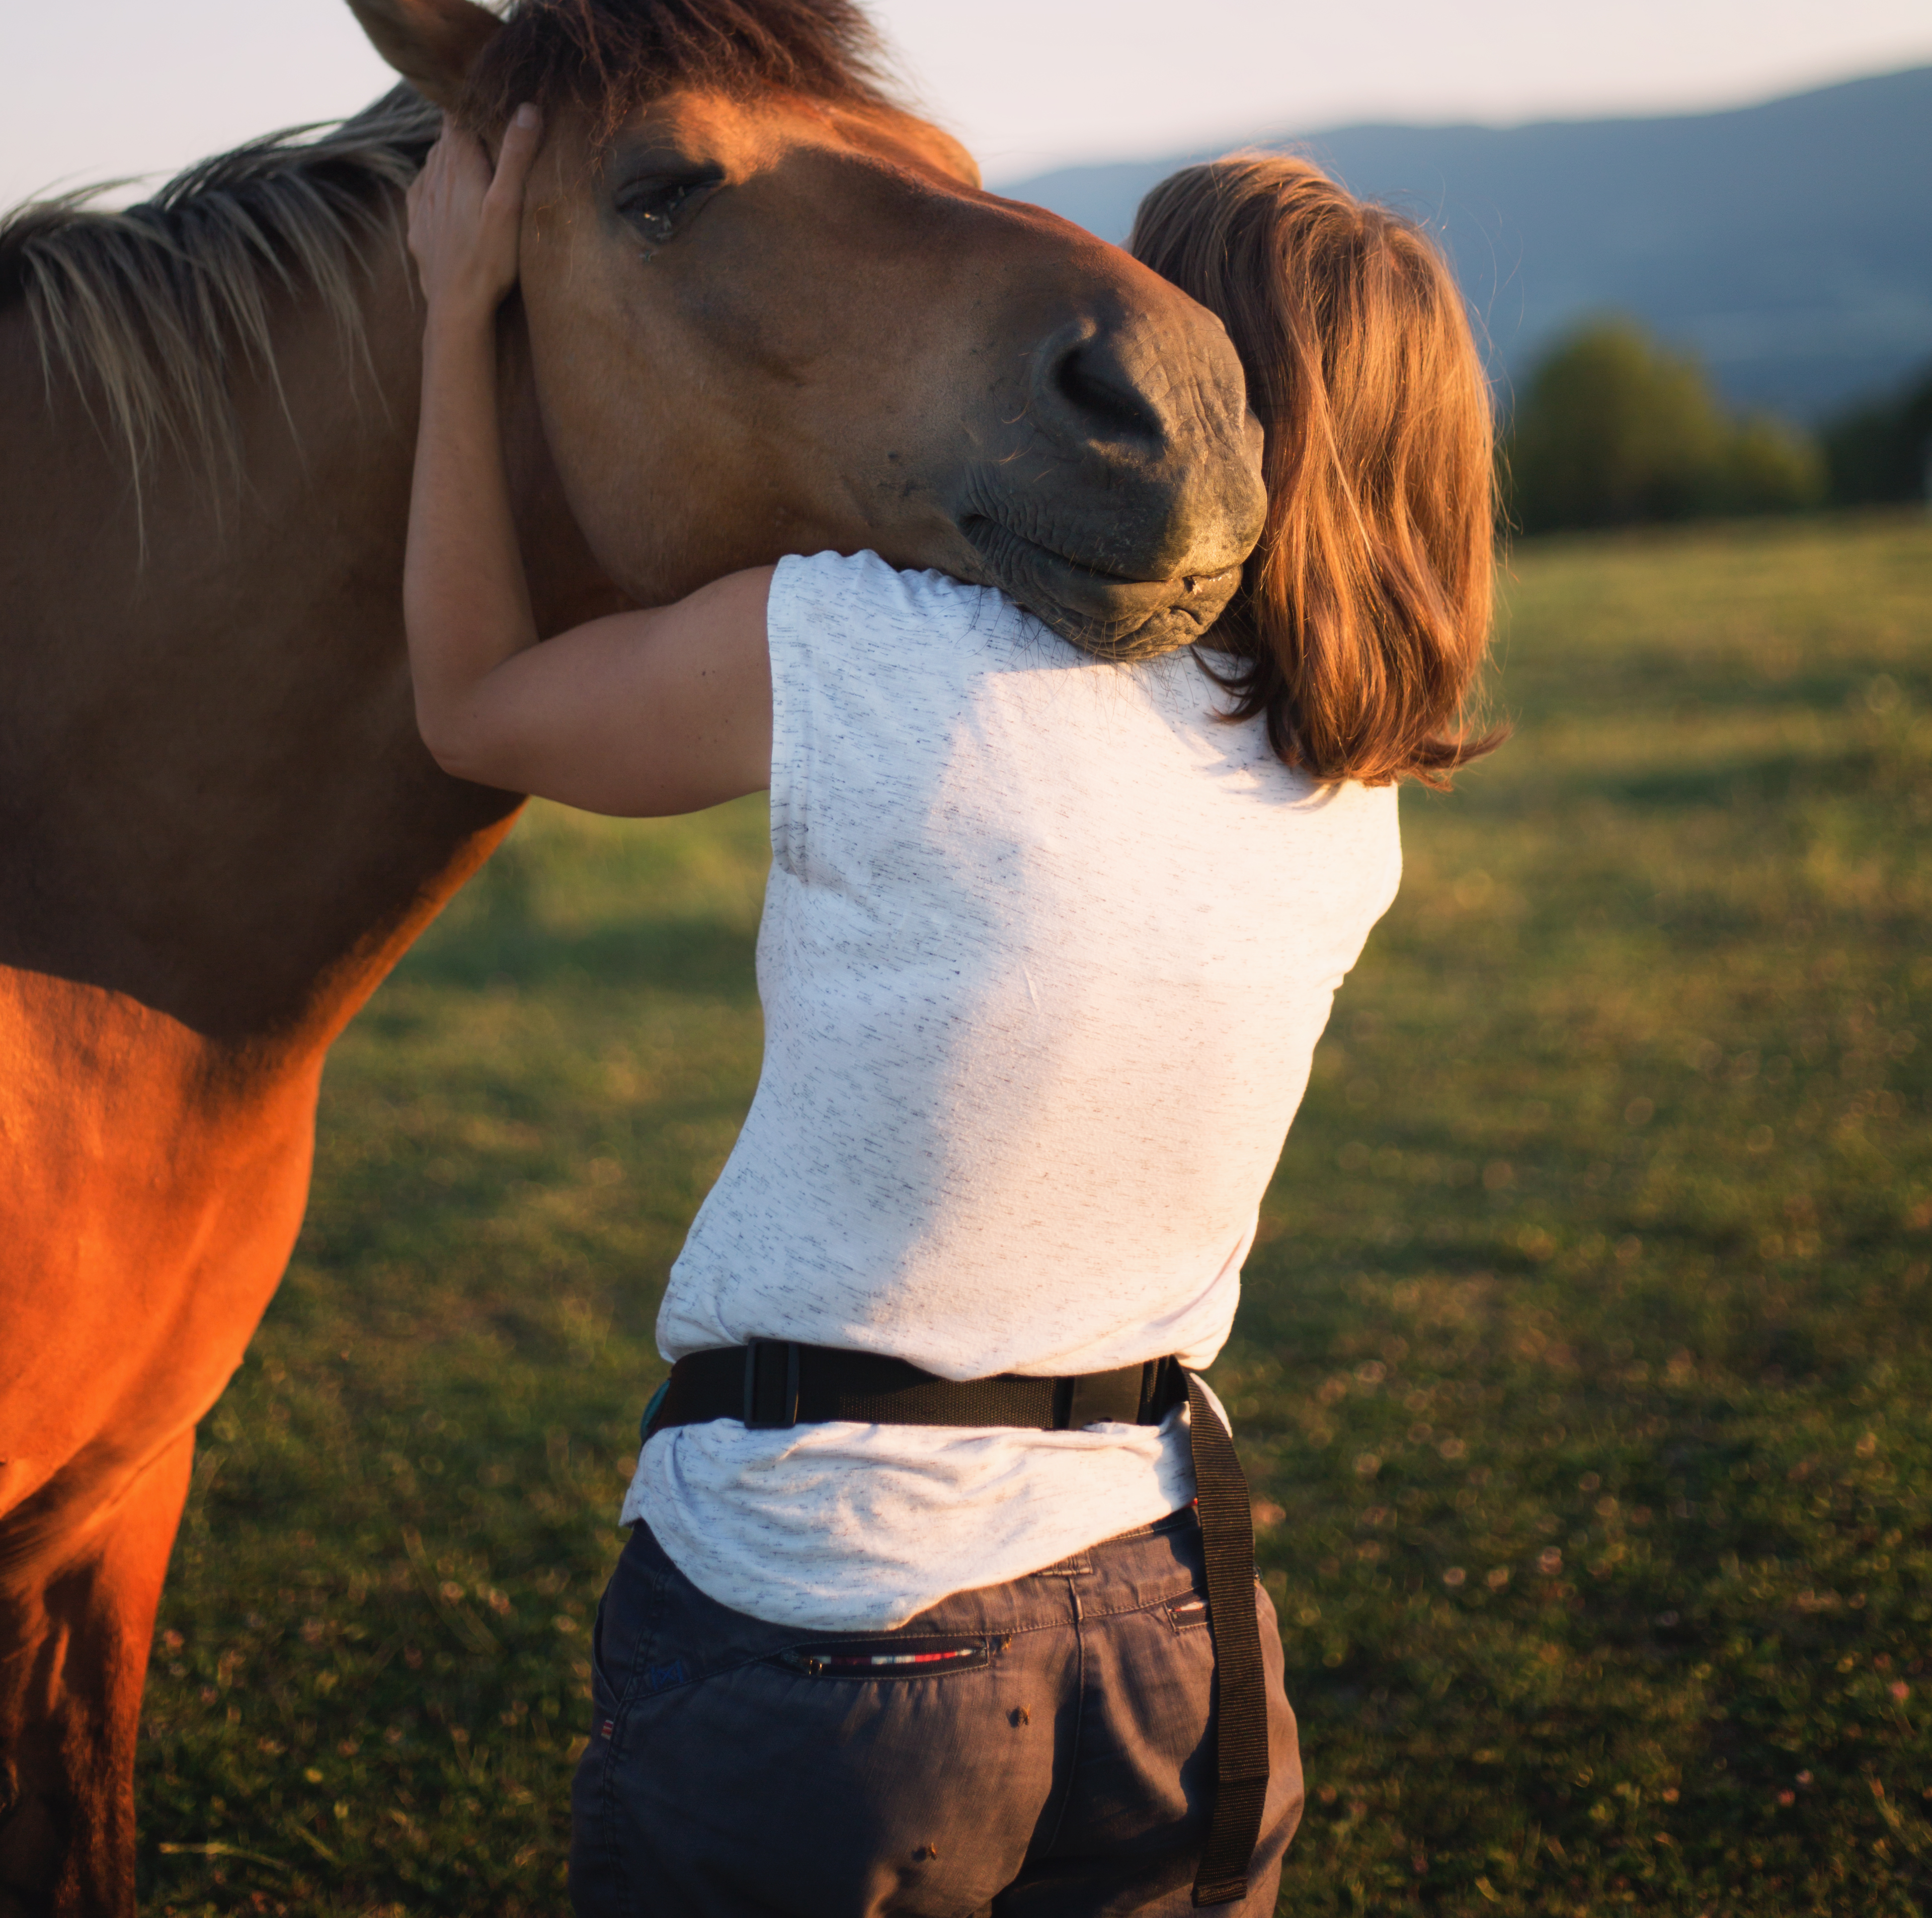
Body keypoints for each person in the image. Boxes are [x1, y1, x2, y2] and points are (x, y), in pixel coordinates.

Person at [403, 112, 1499, 1917]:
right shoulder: (1350, 792)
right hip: (1177, 1621)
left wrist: (461, 312)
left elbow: (475, 705)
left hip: (828, 1613)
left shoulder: (896, 654)